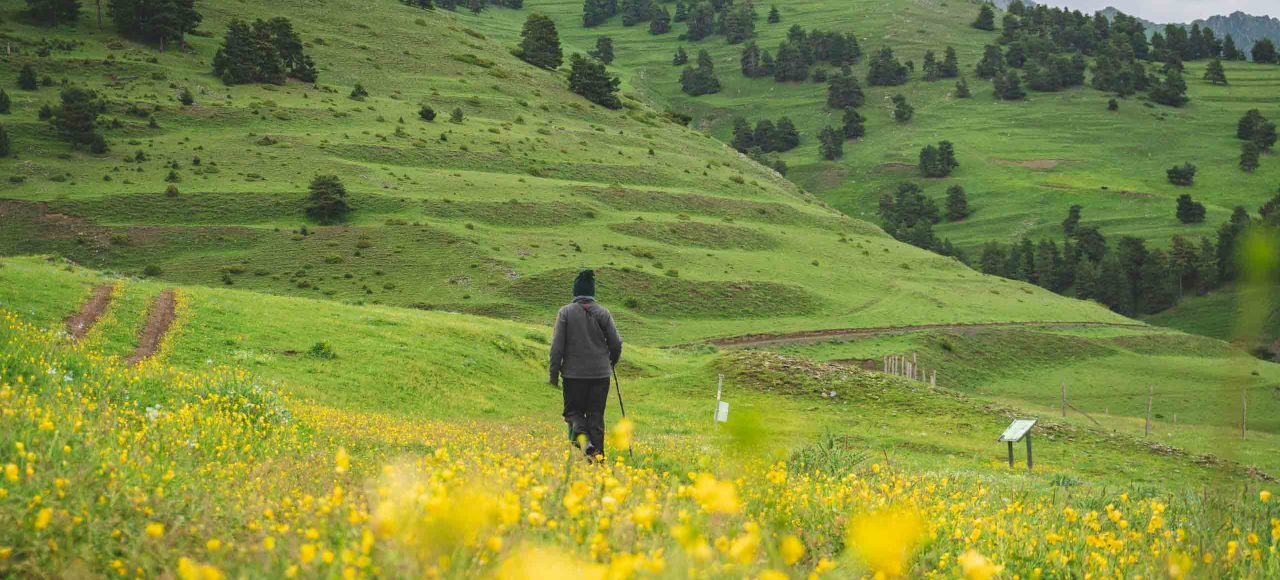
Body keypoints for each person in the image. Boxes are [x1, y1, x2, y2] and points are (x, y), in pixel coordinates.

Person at [548, 269, 623, 460]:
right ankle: (598, 459)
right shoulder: (603, 313)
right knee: (596, 416)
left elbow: (557, 347)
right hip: (600, 375)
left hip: (573, 376)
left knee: (573, 412)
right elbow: (616, 343)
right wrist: (611, 361)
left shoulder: (565, 312)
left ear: (575, 292)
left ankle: (585, 443)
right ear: (592, 293)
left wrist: (553, 375)